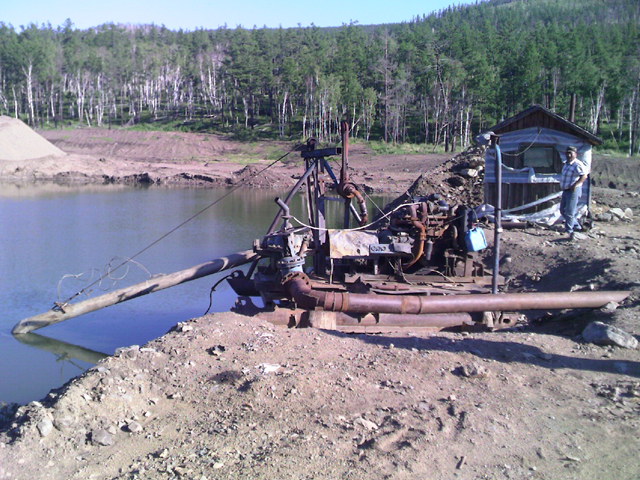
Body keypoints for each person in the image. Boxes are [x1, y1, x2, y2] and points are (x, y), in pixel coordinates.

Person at [559, 146, 588, 240]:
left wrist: (575, 185)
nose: (568, 155)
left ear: (575, 154)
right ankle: (576, 226)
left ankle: (569, 231)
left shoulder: (577, 164)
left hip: (573, 190)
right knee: (562, 210)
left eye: (570, 153)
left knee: (570, 211)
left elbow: (584, 176)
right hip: (566, 190)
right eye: (567, 153)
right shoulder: (566, 164)